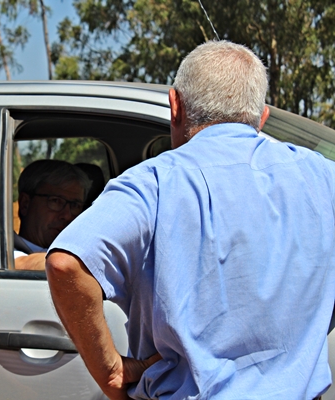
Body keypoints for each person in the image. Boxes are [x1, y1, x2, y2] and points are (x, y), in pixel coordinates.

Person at [46, 40, 335, 400]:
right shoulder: (324, 177)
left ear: (175, 105)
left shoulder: (152, 183)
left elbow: (65, 264)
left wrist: (110, 372)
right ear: (262, 118)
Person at [14, 159, 90, 270]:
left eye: (74, 205)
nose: (67, 215)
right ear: (25, 204)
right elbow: (18, 263)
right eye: (56, 201)